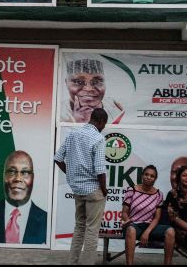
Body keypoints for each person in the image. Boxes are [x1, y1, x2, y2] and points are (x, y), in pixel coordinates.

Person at [54, 108, 108, 265]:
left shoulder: (73, 134)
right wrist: (104, 190)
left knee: (79, 227)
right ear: (100, 121)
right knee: (92, 230)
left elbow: (58, 158)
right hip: (93, 190)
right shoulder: (98, 138)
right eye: (104, 124)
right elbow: (100, 169)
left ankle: (73, 262)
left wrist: (71, 174)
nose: (104, 127)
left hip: (77, 190)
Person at [0, 151, 47, 244]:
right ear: (3, 176)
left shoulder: (47, 222)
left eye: (25, 172)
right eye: (11, 171)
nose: (18, 178)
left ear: (33, 178)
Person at [121, 165, 175, 265]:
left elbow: (157, 217)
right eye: (146, 174)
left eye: (152, 176)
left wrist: (147, 232)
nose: (148, 177)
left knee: (170, 231)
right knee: (131, 230)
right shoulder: (131, 190)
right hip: (133, 225)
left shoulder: (158, 194)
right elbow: (124, 212)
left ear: (155, 178)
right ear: (142, 175)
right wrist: (127, 220)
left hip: (150, 226)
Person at [61, 58, 124, 124]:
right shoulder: (57, 113)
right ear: (66, 83)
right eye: (78, 82)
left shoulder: (115, 107)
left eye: (96, 81)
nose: (88, 88)